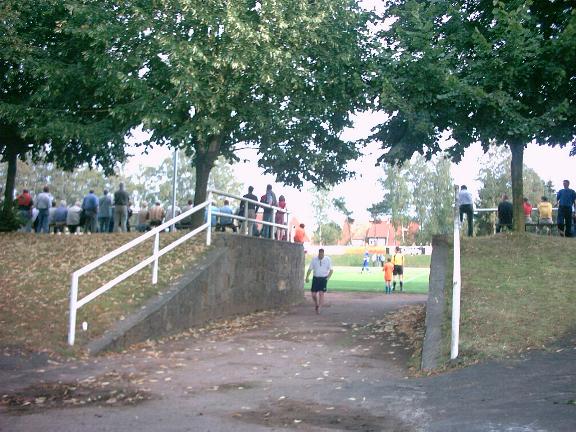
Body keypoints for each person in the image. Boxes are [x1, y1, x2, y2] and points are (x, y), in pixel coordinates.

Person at [305, 248, 333, 314]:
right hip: (316, 278)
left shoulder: (328, 259)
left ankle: (319, 308)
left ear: (323, 254)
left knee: (321, 293)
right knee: (313, 294)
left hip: (323, 278)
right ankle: (316, 304)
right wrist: (307, 277)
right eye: (319, 255)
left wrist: (328, 278)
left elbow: (331, 270)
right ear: (318, 254)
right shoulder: (314, 259)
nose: (320, 256)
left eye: (322, 255)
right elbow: (310, 269)